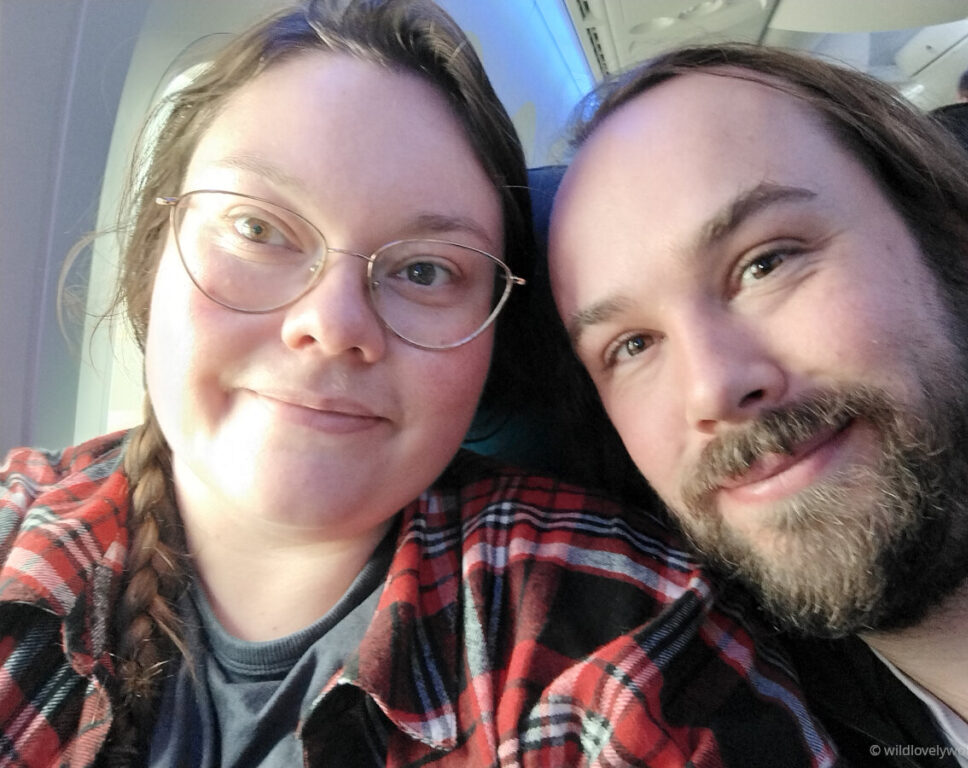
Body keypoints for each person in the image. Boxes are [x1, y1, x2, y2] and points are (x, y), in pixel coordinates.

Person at [0, 4, 839, 767]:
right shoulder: (19, 530)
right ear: (155, 253)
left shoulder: (609, 618)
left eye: (426, 270)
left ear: (492, 337)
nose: (333, 324)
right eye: (258, 227)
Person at [548, 43, 968, 767]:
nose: (711, 388)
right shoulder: (743, 724)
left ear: (957, 246)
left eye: (766, 262)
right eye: (633, 345)